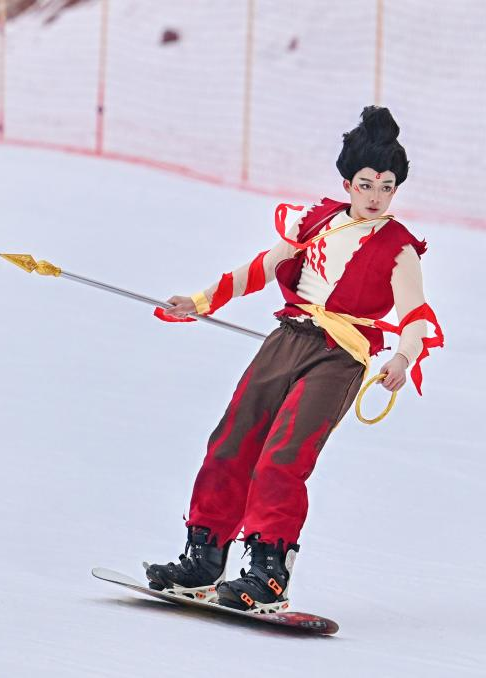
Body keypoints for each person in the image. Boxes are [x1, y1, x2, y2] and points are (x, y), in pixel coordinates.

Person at [144, 106, 442, 613]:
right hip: (286, 339)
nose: (375, 196)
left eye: (387, 187)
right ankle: (203, 558)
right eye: (366, 185)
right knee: (231, 441)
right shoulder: (317, 221)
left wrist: (404, 356)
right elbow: (263, 267)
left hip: (340, 355)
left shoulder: (399, 248)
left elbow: (416, 315)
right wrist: (199, 301)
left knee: (283, 456)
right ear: (347, 183)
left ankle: (268, 574)